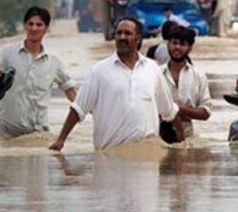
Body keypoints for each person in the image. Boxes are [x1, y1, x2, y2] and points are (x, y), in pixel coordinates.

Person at [49, 17, 182, 151]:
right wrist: (61, 140)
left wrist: (182, 142)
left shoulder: (152, 68)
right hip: (110, 157)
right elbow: (78, 109)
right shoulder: (99, 71)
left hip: (147, 158)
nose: (122, 37)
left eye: (128, 33)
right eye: (119, 33)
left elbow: (169, 110)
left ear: (138, 38)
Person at [0, 6, 77, 139]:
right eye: (30, 24)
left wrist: (93, 112)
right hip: (7, 132)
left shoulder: (54, 61)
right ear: (24, 26)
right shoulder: (7, 54)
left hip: (38, 134)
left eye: (39, 24)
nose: (34, 28)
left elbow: (71, 92)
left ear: (46, 29)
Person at [159, 26, 211, 143]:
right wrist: (184, 111)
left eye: (182, 44)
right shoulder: (156, 74)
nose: (177, 47)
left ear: (190, 48)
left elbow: (206, 113)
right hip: (158, 136)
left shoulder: (199, 76)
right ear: (168, 45)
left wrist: (180, 109)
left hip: (187, 139)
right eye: (174, 43)